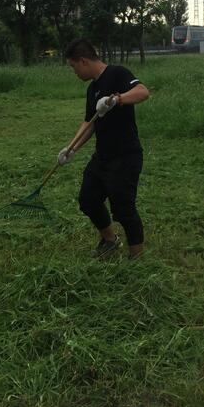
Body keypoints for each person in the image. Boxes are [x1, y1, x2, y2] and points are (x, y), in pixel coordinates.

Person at [58, 38, 150, 259]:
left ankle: (137, 257)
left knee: (124, 208)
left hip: (125, 156)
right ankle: (110, 240)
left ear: (83, 61)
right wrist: (71, 148)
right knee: (88, 200)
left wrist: (117, 99)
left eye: (73, 67)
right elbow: (89, 123)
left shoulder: (117, 73)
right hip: (103, 156)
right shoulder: (92, 89)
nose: (74, 72)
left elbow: (143, 92)